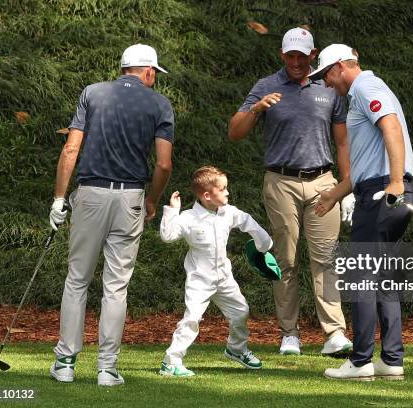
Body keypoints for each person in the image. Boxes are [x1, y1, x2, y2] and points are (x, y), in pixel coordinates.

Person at [48, 44, 174, 386]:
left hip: (90, 194)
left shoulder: (93, 93)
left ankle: (65, 363)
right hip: (130, 197)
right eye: (155, 75)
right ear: (148, 71)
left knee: (77, 279)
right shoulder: (160, 104)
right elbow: (163, 163)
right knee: (116, 286)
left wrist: (59, 198)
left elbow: (71, 147)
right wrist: (152, 200)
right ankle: (106, 368)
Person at [228, 27, 353, 356]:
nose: (296, 61)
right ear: (282, 54)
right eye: (290, 55)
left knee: (325, 258)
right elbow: (234, 132)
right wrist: (257, 109)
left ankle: (335, 333)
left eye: (302, 55)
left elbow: (342, 141)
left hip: (323, 182)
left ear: (313, 54)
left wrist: (346, 186)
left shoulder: (328, 86)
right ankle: (289, 334)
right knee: (285, 260)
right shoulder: (266, 86)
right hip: (280, 181)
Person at [309, 44, 413, 380]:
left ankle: (360, 361)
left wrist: (395, 181)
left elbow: (392, 127)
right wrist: (332, 196)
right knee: (382, 278)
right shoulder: (359, 94)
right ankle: (392, 360)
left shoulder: (366, 86)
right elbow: (361, 168)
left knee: (360, 277)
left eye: (326, 74)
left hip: (383, 193)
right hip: (383, 189)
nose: (327, 83)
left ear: (341, 66)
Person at [158, 166, 272, 377]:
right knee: (192, 318)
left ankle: (236, 349)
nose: (228, 192)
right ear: (207, 195)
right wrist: (172, 210)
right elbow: (168, 235)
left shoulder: (229, 212)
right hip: (199, 280)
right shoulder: (189, 217)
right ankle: (170, 362)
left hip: (224, 278)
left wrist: (264, 245)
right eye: (223, 189)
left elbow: (248, 222)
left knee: (241, 311)